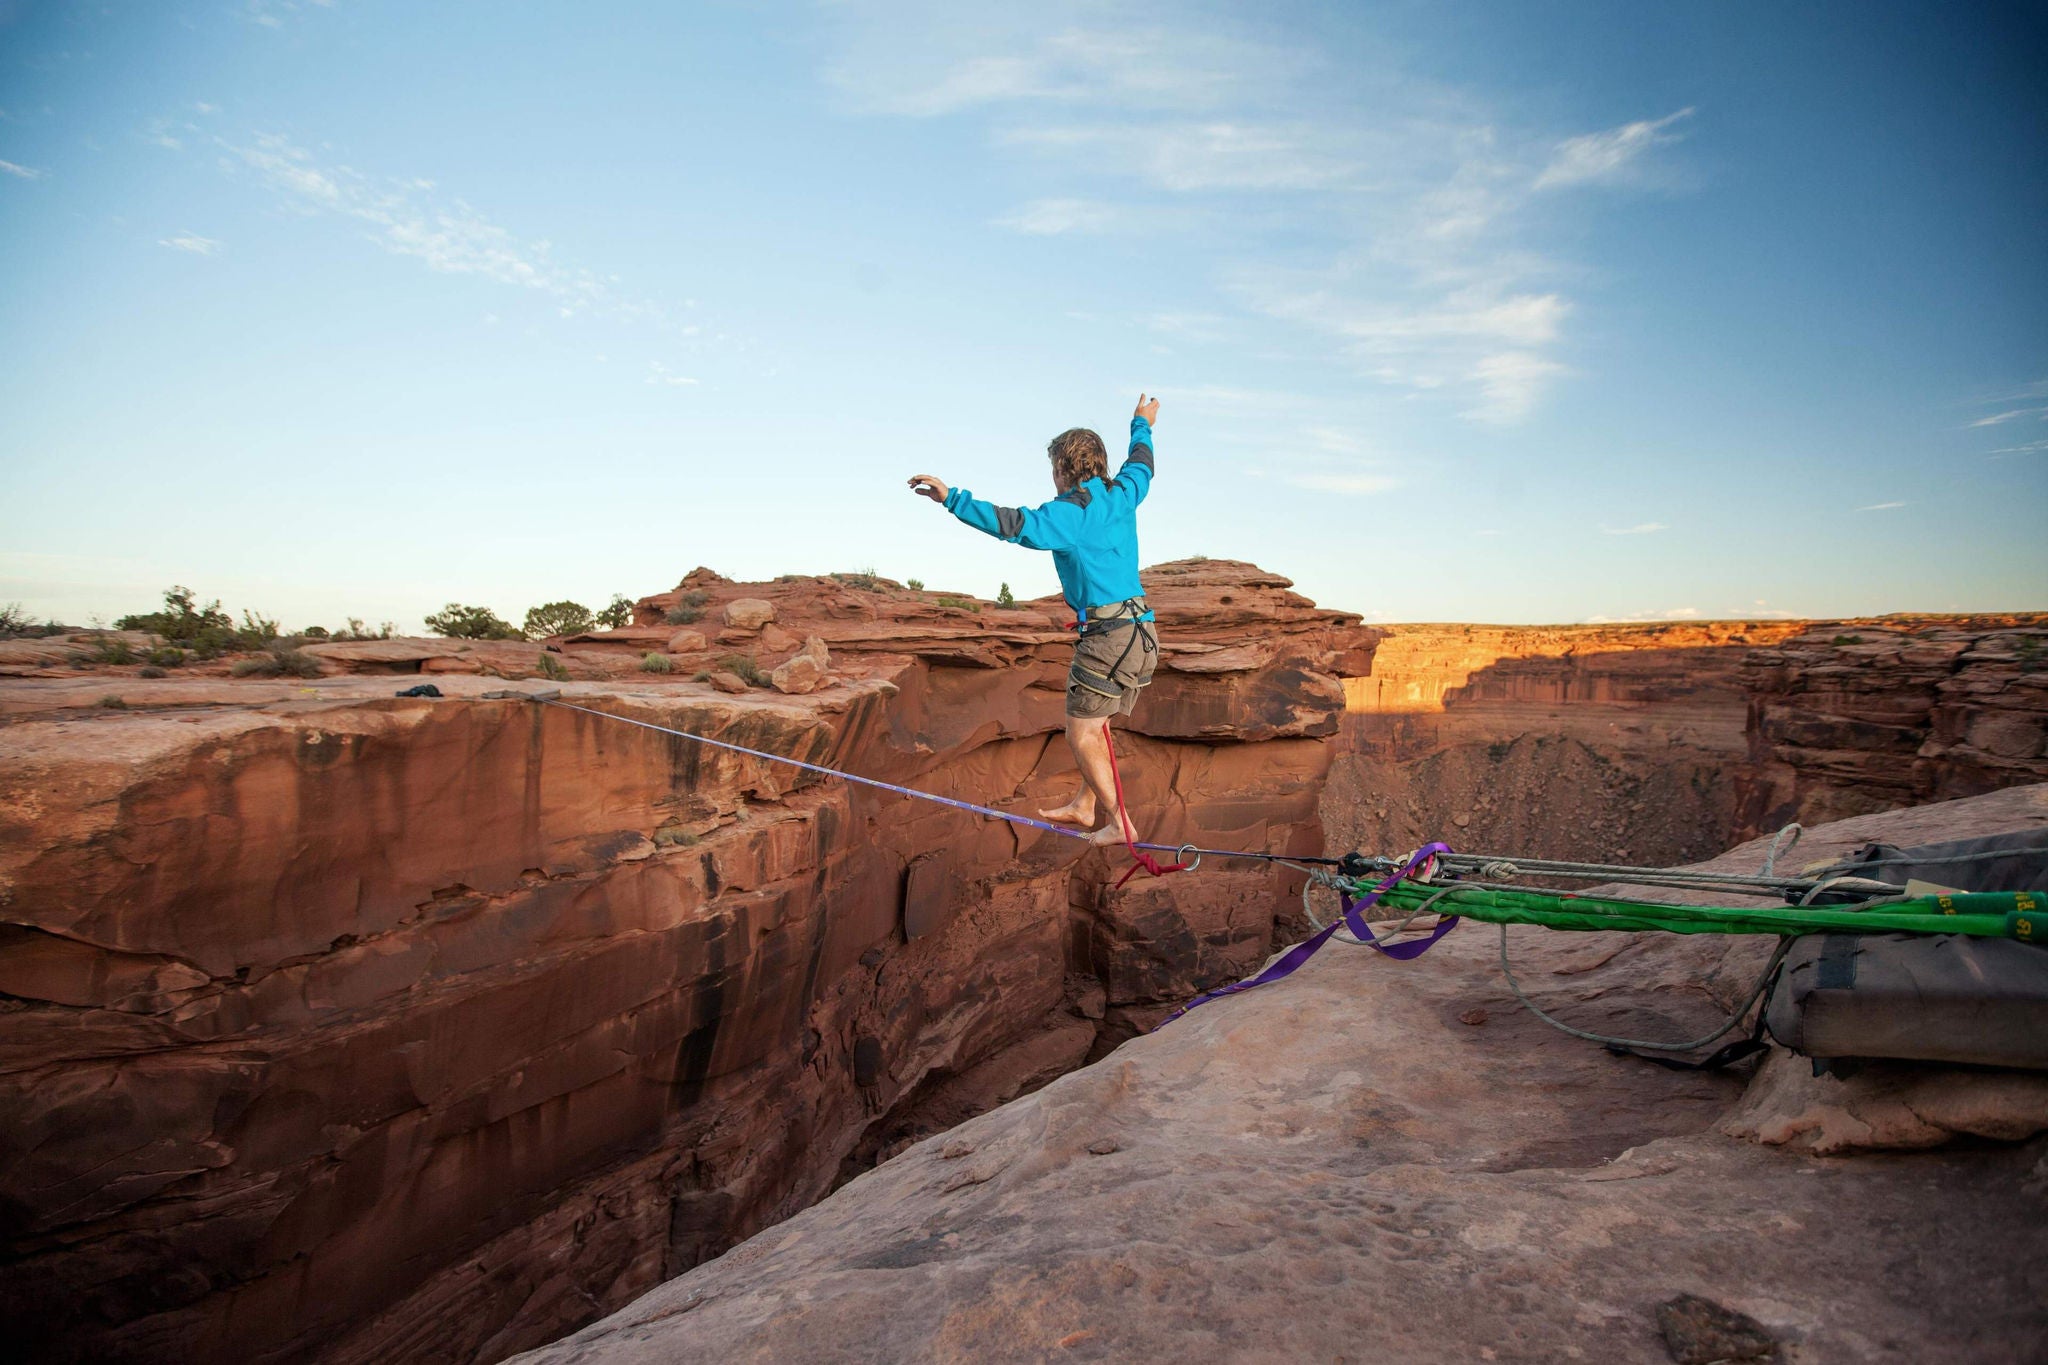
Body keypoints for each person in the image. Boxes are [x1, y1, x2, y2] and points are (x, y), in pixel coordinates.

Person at [908, 394, 1160, 847]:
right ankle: (1087, 804)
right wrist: (1141, 423)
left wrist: (952, 499)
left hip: (1109, 637)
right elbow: (1142, 462)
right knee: (1097, 723)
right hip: (1143, 634)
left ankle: (1119, 821)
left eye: (1053, 471)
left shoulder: (1070, 512)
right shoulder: (1124, 493)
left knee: (1081, 732)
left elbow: (1013, 524)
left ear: (1063, 471)